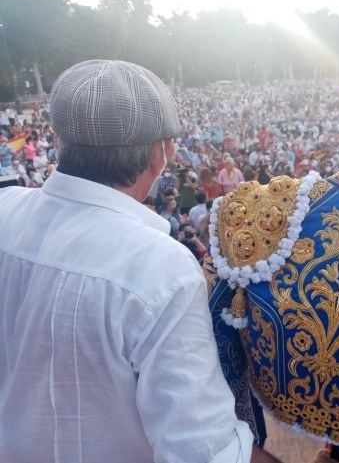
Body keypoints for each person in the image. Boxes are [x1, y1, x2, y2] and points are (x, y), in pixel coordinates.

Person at [0, 59, 280, 463]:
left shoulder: (6, 207)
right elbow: (203, 453)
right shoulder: (159, 267)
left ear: (59, 139)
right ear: (161, 153)